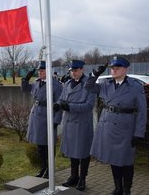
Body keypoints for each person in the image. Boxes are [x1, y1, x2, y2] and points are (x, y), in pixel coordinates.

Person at [85, 56, 147, 195]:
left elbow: (142, 112)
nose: (113, 70)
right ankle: (118, 188)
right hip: (108, 126)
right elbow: (88, 87)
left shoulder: (135, 87)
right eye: (112, 68)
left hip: (126, 127)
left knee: (125, 161)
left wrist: (138, 133)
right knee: (113, 159)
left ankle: (126, 189)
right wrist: (95, 75)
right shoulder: (106, 84)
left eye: (117, 68)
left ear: (125, 69)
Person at [55, 60, 96, 191]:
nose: (74, 73)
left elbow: (89, 106)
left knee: (83, 152)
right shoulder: (67, 83)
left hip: (82, 123)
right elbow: (62, 99)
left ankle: (83, 178)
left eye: (76, 70)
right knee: (72, 150)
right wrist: (58, 104)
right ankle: (74, 176)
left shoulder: (89, 84)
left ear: (82, 69)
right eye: (72, 71)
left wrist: (69, 106)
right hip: (69, 122)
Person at [21, 61, 63, 179]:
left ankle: (50, 169)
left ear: (48, 71)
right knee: (40, 146)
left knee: (49, 145)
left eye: (42, 70)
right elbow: (25, 89)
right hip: (36, 115)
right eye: (39, 70)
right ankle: (43, 167)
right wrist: (25, 79)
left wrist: (56, 120)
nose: (40, 72)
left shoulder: (56, 85)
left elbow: (59, 103)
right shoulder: (36, 82)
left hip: (48, 116)